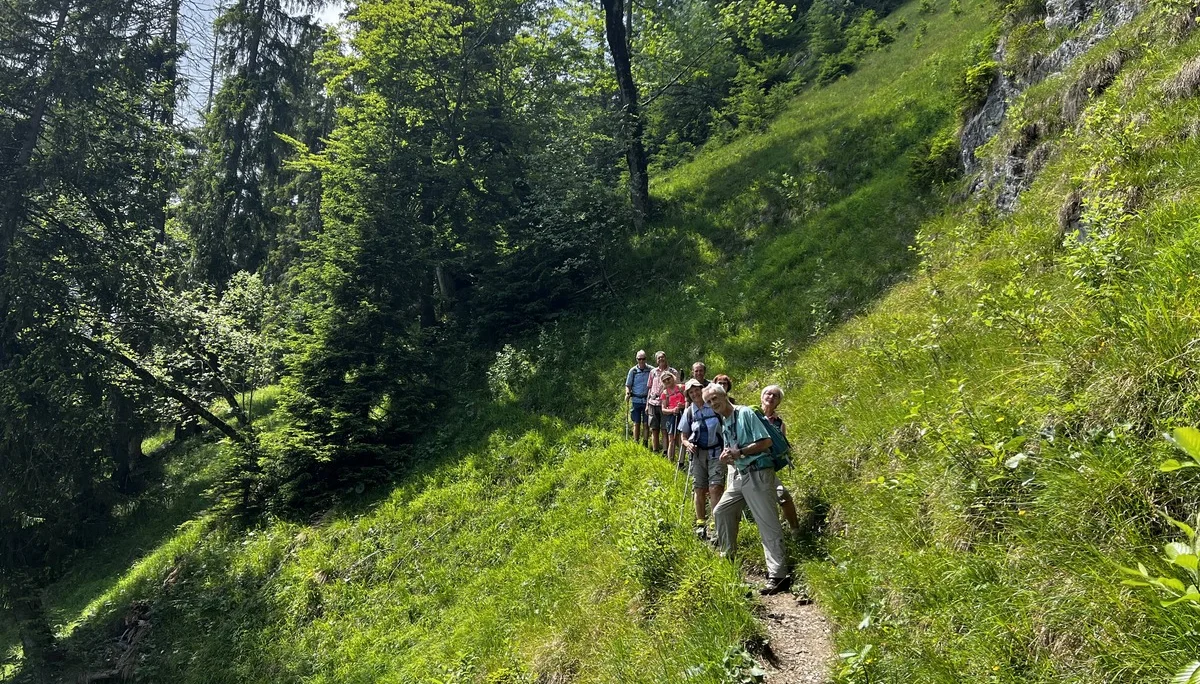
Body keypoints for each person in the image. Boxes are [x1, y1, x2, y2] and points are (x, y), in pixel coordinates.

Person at [704, 383, 791, 595]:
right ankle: (729, 559)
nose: (713, 403)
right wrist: (728, 457)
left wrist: (740, 452)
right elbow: (734, 451)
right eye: (709, 401)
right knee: (721, 511)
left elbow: (766, 442)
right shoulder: (725, 421)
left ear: (725, 397)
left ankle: (779, 575)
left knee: (767, 523)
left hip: (759, 473)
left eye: (715, 398)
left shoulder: (745, 413)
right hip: (741, 474)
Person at [678, 378, 724, 540]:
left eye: (697, 390)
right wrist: (687, 444)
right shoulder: (689, 412)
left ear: (701, 390)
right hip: (697, 454)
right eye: (691, 392)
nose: (695, 394)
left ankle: (716, 523)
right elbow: (683, 436)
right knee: (699, 488)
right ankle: (700, 523)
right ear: (688, 395)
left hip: (717, 451)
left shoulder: (713, 405)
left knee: (715, 488)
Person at [761, 384, 801, 533]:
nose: (771, 397)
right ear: (762, 397)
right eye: (768, 394)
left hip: (768, 466)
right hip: (749, 465)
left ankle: (795, 531)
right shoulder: (752, 415)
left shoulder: (779, 423)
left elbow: (781, 446)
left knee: (783, 496)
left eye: (775, 396)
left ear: (778, 402)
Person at [644, 351, 680, 456]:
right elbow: (649, 388)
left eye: (662, 357)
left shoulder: (672, 371)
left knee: (665, 429)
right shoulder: (653, 372)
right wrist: (647, 404)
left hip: (666, 404)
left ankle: (665, 451)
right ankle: (655, 451)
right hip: (653, 403)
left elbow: (677, 388)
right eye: (659, 358)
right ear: (656, 360)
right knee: (654, 428)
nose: (661, 359)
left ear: (666, 358)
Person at [624, 350, 652, 446]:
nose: (641, 361)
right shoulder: (633, 371)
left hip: (647, 400)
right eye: (639, 359)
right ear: (637, 359)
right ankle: (636, 442)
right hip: (636, 400)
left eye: (643, 359)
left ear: (646, 359)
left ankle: (645, 443)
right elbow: (628, 385)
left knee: (646, 423)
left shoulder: (651, 370)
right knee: (636, 422)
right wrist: (627, 393)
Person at [659, 372, 687, 465]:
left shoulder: (682, 388)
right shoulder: (665, 393)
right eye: (664, 380)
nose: (667, 381)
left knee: (682, 438)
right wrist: (672, 410)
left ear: (673, 378)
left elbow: (689, 402)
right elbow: (663, 409)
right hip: (672, 416)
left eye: (668, 378)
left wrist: (682, 406)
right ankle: (670, 462)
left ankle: (681, 462)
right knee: (671, 438)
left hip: (683, 414)